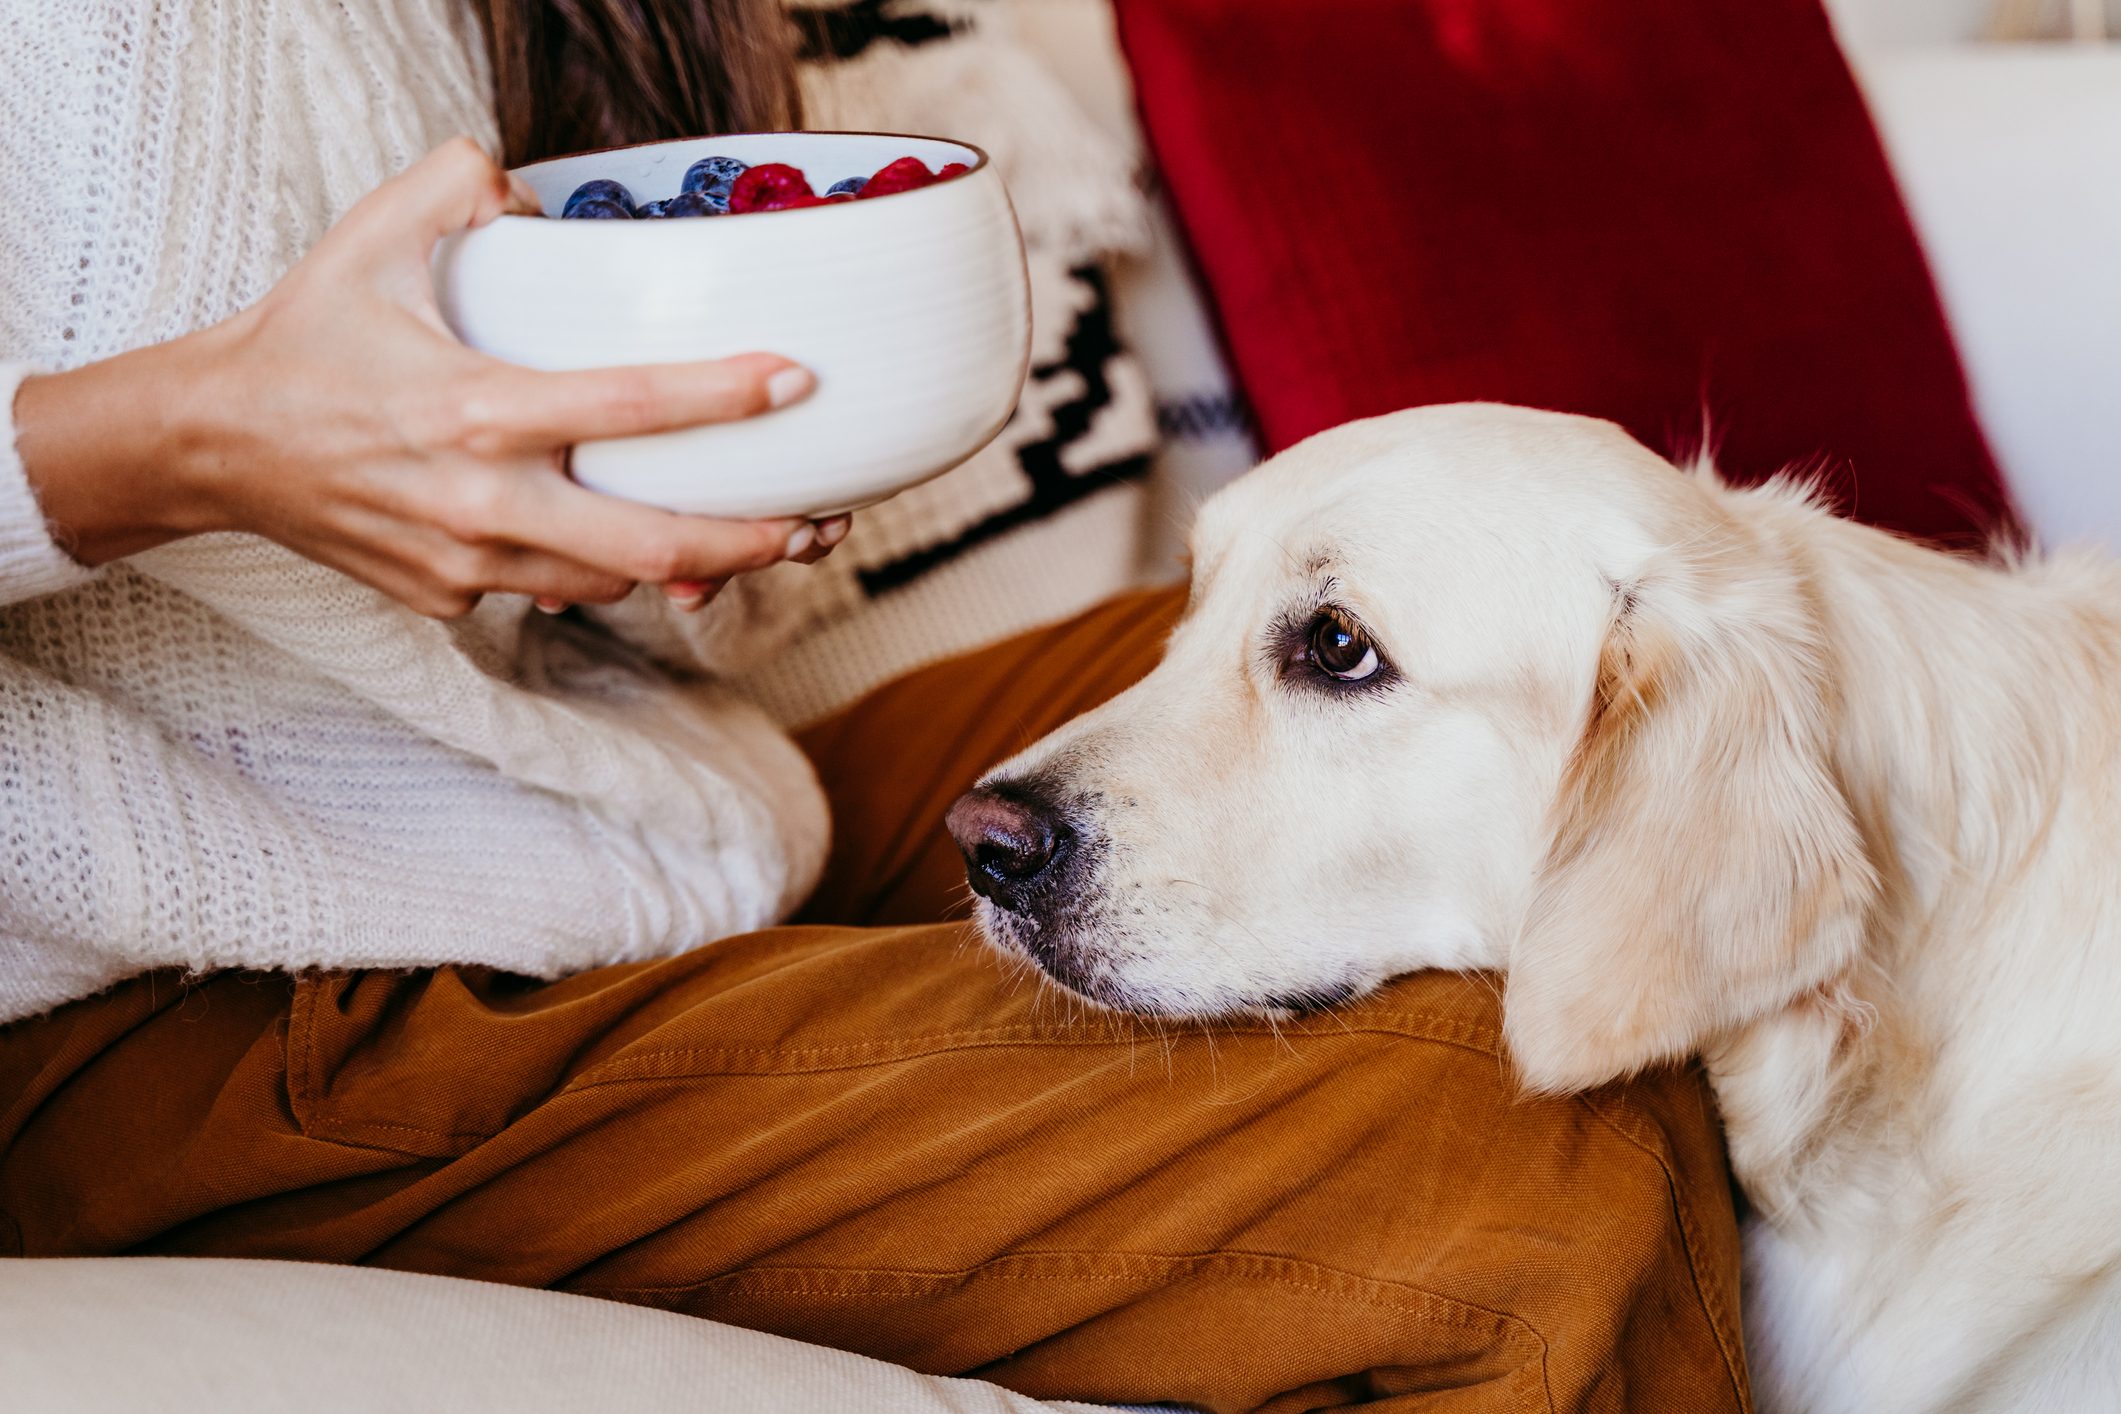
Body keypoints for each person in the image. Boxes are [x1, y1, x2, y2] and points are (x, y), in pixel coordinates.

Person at [0, 2, 1748, 1407]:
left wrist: (663, 482)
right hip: (165, 1005)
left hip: (565, 806)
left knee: (1380, 654)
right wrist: (185, 442)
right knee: (1507, 1159)